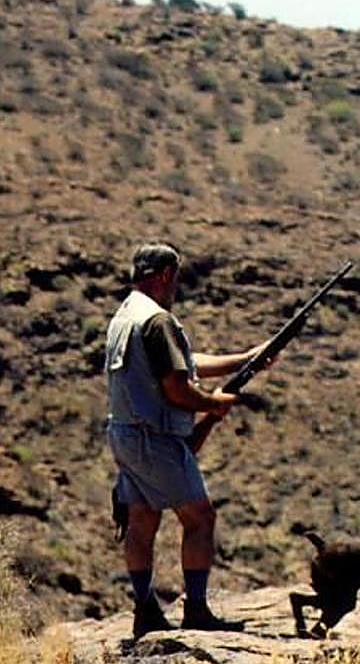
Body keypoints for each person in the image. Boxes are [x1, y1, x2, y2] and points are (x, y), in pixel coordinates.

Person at [105, 243, 265, 638]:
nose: (177, 286)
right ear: (164, 275)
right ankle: (196, 609)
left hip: (125, 435)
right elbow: (178, 388)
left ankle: (145, 612)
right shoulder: (159, 321)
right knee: (199, 518)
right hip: (156, 438)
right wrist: (214, 405)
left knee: (142, 522)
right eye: (175, 277)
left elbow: (187, 364)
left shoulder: (126, 315)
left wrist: (245, 358)